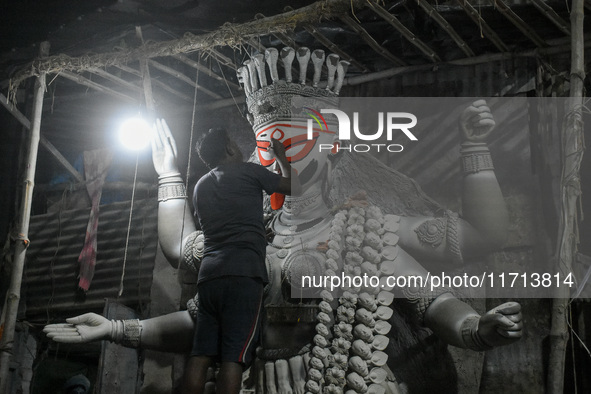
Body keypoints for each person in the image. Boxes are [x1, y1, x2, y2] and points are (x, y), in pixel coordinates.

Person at [45, 48, 523, 393]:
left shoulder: (365, 232)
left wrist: (477, 329)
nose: (275, 161)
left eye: (291, 146)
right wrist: (116, 331)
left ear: (329, 148)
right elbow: (185, 264)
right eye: (266, 148)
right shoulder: (242, 238)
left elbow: (459, 268)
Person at [183, 126, 301, 394]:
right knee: (232, 357)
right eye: (234, 142)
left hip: (209, 277)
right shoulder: (249, 171)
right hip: (243, 274)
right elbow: (295, 187)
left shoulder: (200, 187)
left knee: (200, 354)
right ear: (229, 149)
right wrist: (281, 157)